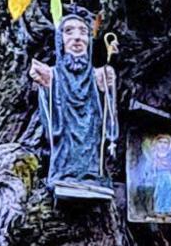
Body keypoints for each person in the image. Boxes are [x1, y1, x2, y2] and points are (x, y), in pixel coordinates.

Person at [29, 10, 116, 195]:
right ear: (60, 40)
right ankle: (65, 174)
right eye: (69, 31)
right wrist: (46, 86)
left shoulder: (96, 75)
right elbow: (49, 119)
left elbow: (107, 114)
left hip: (91, 148)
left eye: (83, 32)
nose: (77, 38)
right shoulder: (53, 75)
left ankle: (92, 175)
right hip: (64, 152)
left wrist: (106, 89)